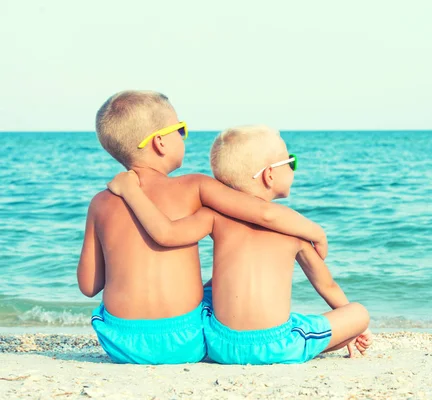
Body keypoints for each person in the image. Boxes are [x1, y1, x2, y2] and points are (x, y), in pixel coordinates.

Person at [78, 92, 328, 365]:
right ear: (160, 142)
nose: (184, 136)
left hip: (122, 343)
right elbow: (265, 214)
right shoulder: (194, 186)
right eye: (180, 129)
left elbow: (89, 286)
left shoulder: (100, 203)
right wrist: (316, 232)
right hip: (187, 341)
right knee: (219, 295)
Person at [107, 124, 373, 365]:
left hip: (221, 344)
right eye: (291, 162)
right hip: (276, 345)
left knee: (209, 291)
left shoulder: (213, 217)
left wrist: (132, 193)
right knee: (358, 313)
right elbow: (327, 286)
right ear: (269, 175)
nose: (293, 167)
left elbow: (166, 233)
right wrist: (351, 327)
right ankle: (340, 337)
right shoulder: (295, 231)